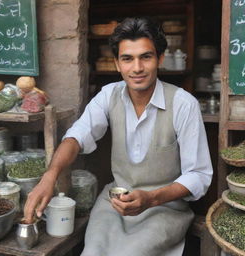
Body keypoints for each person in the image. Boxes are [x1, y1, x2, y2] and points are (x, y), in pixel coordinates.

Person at [24, 17, 213, 256]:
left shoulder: (184, 104)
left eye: (146, 57)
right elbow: (77, 137)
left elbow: (199, 175)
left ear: (160, 59)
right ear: (117, 63)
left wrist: (151, 199)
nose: (137, 68)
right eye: (127, 58)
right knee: (93, 252)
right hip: (115, 202)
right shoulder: (109, 96)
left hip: (164, 207)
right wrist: (50, 176)